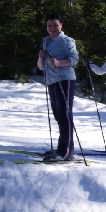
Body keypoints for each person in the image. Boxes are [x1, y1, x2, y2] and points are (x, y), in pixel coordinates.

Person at [37, 13, 79, 161]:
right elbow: (40, 67)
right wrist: (40, 57)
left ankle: (65, 151)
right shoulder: (46, 41)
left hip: (65, 80)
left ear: (61, 25)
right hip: (52, 81)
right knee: (59, 115)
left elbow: (74, 59)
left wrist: (59, 63)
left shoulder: (66, 41)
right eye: (49, 25)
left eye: (55, 25)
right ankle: (63, 148)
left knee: (65, 115)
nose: (52, 28)